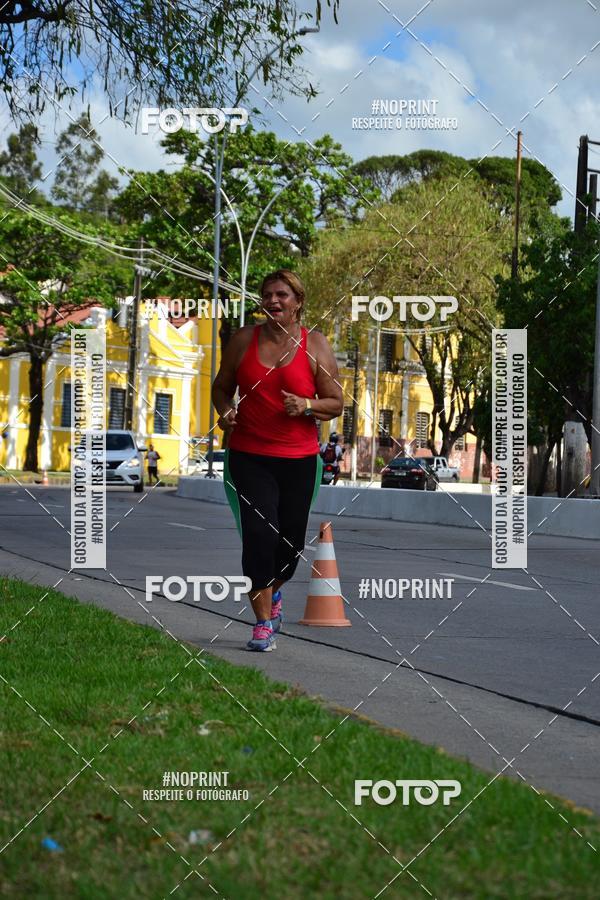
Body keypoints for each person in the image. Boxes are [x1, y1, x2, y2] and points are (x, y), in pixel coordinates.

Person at [212, 269, 343, 651]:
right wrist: (225, 410)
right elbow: (221, 387)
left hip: (299, 460)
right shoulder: (242, 341)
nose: (273, 301)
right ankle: (263, 622)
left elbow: (336, 403)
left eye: (282, 295)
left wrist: (307, 405)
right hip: (250, 455)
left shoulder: (315, 345)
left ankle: (273, 592)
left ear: (298, 302)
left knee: (288, 547)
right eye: (267, 295)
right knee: (258, 537)